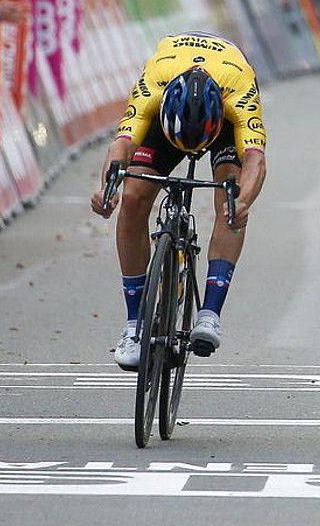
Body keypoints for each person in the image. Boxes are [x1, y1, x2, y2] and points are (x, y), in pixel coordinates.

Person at [90, 33, 268, 370]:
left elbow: (255, 161)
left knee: (229, 200)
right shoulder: (154, 83)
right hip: (169, 103)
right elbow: (121, 146)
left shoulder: (240, 92)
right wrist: (108, 189)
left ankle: (209, 315)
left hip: (222, 113)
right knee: (133, 196)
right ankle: (133, 328)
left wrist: (243, 201)